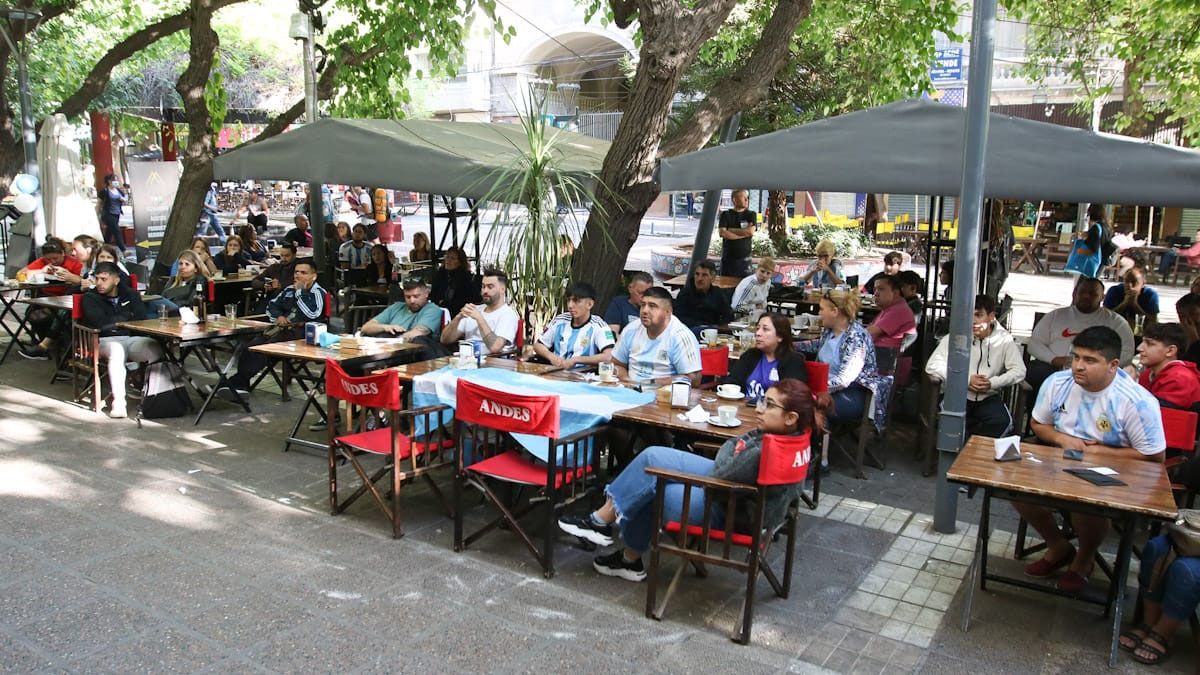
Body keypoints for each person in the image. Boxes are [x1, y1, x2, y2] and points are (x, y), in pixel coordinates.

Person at [557, 379, 816, 582]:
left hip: (731, 509)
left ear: (790, 417)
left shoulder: (763, 449)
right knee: (652, 457)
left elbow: (727, 460)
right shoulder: (795, 438)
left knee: (652, 484)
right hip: (737, 493)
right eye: (763, 401)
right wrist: (734, 448)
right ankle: (604, 524)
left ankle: (621, 549)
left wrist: (734, 449)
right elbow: (735, 448)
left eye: (769, 405)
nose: (760, 408)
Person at [1020, 326, 1164, 594]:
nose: (1078, 366)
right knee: (1014, 485)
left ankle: (1084, 560)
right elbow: (1038, 423)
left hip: (1113, 473)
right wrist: (1063, 439)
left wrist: (1098, 452)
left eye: (1089, 360)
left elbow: (1154, 456)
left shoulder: (1136, 402)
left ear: (1113, 365)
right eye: (1076, 357)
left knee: (1084, 501)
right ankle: (1058, 546)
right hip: (1059, 460)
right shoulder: (1057, 383)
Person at [216, 259, 325, 400]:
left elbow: (312, 314)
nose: (298, 275)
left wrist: (300, 293)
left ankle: (233, 385)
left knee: (262, 348)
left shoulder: (318, 292)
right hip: (280, 328)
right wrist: (278, 316)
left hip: (304, 334)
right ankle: (238, 384)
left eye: (303, 272)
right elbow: (271, 306)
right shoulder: (288, 289)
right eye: (296, 272)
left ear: (313, 276)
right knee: (248, 345)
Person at [924, 294, 1026, 438]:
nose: (972, 321)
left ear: (991, 317)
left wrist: (992, 383)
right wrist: (964, 379)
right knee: (954, 423)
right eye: (969, 315)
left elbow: (1019, 370)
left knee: (1002, 422)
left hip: (988, 396)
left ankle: (974, 451)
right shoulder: (956, 336)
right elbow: (932, 365)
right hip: (957, 393)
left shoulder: (1004, 340)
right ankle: (961, 454)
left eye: (978, 315)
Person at [79, 262, 165, 419]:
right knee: (117, 350)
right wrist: (125, 318)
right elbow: (100, 323)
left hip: (131, 338)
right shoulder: (90, 297)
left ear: (116, 280)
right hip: (104, 340)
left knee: (154, 347)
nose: (99, 283)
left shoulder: (131, 294)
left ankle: (155, 398)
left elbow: (140, 319)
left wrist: (115, 322)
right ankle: (119, 403)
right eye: (97, 278)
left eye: (104, 279)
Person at [1026, 276, 1135, 394]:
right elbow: (1034, 343)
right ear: (1074, 294)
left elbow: (1127, 351)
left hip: (1097, 374)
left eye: (1092, 294)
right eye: (1082, 292)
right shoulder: (1055, 316)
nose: (1086, 296)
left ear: (1102, 297)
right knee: (1037, 373)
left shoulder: (1116, 322)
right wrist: (1055, 360)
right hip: (1055, 369)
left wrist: (1097, 365)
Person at [796, 291, 885, 433]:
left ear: (834, 311)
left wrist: (813, 390)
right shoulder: (830, 330)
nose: (819, 313)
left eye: (822, 309)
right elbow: (819, 345)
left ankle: (818, 449)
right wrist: (790, 345)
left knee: (804, 404)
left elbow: (843, 380)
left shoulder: (856, 337)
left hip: (854, 394)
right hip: (829, 388)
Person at [1119, 533, 1200, 665]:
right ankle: (1149, 622)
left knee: (1186, 571)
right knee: (1155, 549)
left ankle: (1164, 632)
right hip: (1192, 531)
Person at [610, 287, 701, 386]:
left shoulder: (680, 336)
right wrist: (626, 379)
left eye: (652, 306)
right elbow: (616, 364)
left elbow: (693, 379)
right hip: (630, 391)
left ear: (668, 312)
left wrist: (651, 383)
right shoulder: (631, 329)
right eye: (642, 305)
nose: (645, 310)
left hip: (664, 397)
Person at [15, 239, 87, 360]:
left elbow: (83, 280)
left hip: (65, 299)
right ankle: (44, 345)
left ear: (63, 254)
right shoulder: (43, 262)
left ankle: (47, 346)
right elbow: (20, 274)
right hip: (46, 297)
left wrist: (70, 277)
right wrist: (42, 270)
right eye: (49, 259)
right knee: (31, 313)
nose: (52, 262)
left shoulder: (74, 263)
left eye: (55, 259)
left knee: (49, 315)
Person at [720, 313, 807, 403]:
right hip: (744, 409)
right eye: (757, 329)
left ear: (780, 336)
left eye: (765, 329)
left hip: (774, 413)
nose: (758, 333)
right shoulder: (750, 355)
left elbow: (794, 396)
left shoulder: (793, 361)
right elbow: (731, 382)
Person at [533, 282, 615, 370]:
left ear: (590, 304)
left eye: (576, 301)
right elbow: (538, 345)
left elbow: (609, 356)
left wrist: (577, 360)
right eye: (568, 300)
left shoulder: (599, 326)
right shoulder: (560, 320)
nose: (570, 305)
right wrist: (551, 357)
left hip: (583, 375)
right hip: (555, 371)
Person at [440, 268, 519, 355]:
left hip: (493, 362)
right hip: (465, 359)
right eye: (483, 286)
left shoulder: (507, 314)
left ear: (502, 289)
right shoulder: (474, 309)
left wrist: (479, 318)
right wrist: (458, 318)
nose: (485, 291)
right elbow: (445, 340)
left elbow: (495, 347)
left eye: (490, 287)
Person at [1135, 322, 1200, 410]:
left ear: (1170, 351)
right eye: (1142, 342)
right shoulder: (1147, 375)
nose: (1139, 348)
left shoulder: (1180, 378)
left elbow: (1154, 413)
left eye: (1150, 344)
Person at [361, 277, 444, 341]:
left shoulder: (432, 310)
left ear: (426, 293)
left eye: (416, 296)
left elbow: (418, 333)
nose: (412, 301)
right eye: (408, 297)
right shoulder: (396, 307)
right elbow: (366, 327)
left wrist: (391, 341)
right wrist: (385, 327)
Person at [674, 260, 733, 330]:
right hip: (691, 331)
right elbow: (679, 318)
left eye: (704, 275)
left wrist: (718, 326)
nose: (699, 279)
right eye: (697, 274)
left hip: (713, 332)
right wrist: (704, 326)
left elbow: (729, 315)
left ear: (713, 278)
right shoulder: (685, 294)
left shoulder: (717, 293)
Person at [866, 275, 916, 352]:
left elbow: (870, 333)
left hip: (885, 356)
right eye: (875, 289)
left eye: (881, 289)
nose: (875, 293)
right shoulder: (891, 308)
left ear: (895, 293)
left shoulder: (899, 310)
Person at [430, 245, 480, 317]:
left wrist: (444, 303)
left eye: (453, 258)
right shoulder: (440, 274)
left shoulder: (466, 279)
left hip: (458, 314)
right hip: (438, 311)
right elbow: (434, 295)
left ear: (460, 262)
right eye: (447, 257)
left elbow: (466, 301)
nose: (448, 260)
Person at [717, 188, 756, 278]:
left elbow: (750, 232)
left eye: (747, 198)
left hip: (745, 261)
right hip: (728, 260)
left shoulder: (751, 214)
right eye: (744, 198)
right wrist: (744, 234)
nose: (747, 200)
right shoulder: (726, 214)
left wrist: (730, 230)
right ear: (734, 199)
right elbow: (722, 233)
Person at [1063, 203, 1107, 279]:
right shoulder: (1106, 226)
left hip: (1092, 262)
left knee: (1085, 286)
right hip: (1102, 260)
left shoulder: (1096, 227)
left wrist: (1079, 251)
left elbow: (1092, 246)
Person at [98, 174, 127, 252]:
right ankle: (123, 250)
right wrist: (98, 215)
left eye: (117, 180)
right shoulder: (105, 191)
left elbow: (124, 198)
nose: (116, 182)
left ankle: (103, 247)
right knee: (116, 230)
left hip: (117, 213)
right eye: (114, 180)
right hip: (108, 214)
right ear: (109, 181)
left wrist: (123, 200)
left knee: (109, 232)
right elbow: (100, 203)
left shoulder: (119, 191)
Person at [1176, 293, 1200, 366]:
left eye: (1192, 313)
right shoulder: (1178, 333)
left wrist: (1195, 340)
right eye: (1182, 315)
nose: (1187, 319)